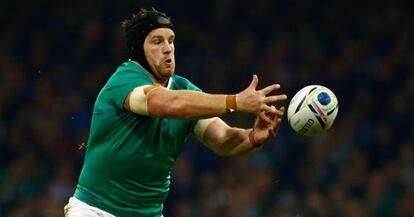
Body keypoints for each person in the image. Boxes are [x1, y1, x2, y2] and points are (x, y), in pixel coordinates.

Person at [64, 7, 287, 217]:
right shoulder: (124, 80)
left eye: (171, 41)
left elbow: (222, 139)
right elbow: (167, 104)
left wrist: (252, 137)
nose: (168, 48)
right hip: (95, 210)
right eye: (157, 41)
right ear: (139, 50)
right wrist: (235, 101)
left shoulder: (185, 90)